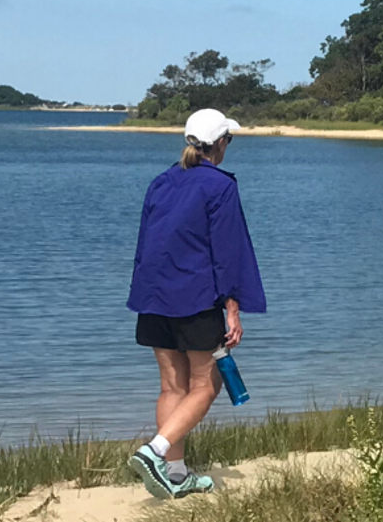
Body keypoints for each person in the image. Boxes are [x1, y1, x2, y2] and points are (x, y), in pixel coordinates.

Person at [127, 108, 267, 498]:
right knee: (208, 383)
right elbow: (228, 251)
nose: (228, 145)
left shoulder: (161, 182)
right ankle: (154, 452)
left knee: (172, 385)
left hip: (153, 294)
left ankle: (175, 475)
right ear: (219, 143)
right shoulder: (219, 185)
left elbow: (145, 244)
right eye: (229, 139)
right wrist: (233, 308)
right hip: (195, 296)